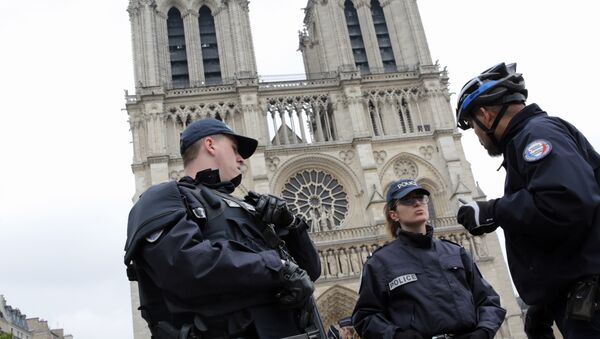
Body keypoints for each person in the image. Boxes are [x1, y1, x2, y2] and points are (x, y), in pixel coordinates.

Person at [124, 118, 322, 339]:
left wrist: (291, 226)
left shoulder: (247, 207)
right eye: (235, 149)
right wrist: (278, 267)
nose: (241, 159)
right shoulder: (164, 198)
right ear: (210, 145)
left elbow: (309, 273)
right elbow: (185, 266)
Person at [455, 62, 600, 339]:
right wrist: (543, 303)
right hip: (579, 299)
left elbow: (565, 202)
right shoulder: (531, 138)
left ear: (485, 116)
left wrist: (493, 211)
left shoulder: (536, 136)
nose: (478, 136)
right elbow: (566, 235)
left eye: (473, 127)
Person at [352, 179, 506, 339]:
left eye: (421, 198)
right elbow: (365, 317)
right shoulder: (380, 262)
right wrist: (396, 336)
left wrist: (483, 331)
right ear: (394, 214)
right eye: (408, 200)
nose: (417, 203)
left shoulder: (456, 252)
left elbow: (489, 300)